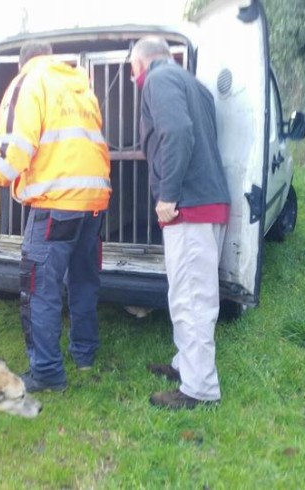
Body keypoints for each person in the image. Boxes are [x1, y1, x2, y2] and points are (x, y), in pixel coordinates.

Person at [0, 41, 111, 392]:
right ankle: (84, 355)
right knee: (83, 281)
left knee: (41, 290)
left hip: (56, 206)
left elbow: (13, 150)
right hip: (93, 204)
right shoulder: (81, 88)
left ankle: (48, 372)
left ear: (23, 61)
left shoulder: (29, 82)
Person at [130, 36, 231, 409]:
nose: (132, 77)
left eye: (130, 70)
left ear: (141, 64)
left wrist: (168, 195)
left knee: (192, 299)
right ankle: (184, 365)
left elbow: (178, 133)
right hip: (209, 202)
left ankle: (199, 390)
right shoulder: (196, 86)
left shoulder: (158, 80)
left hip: (189, 206)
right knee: (186, 293)